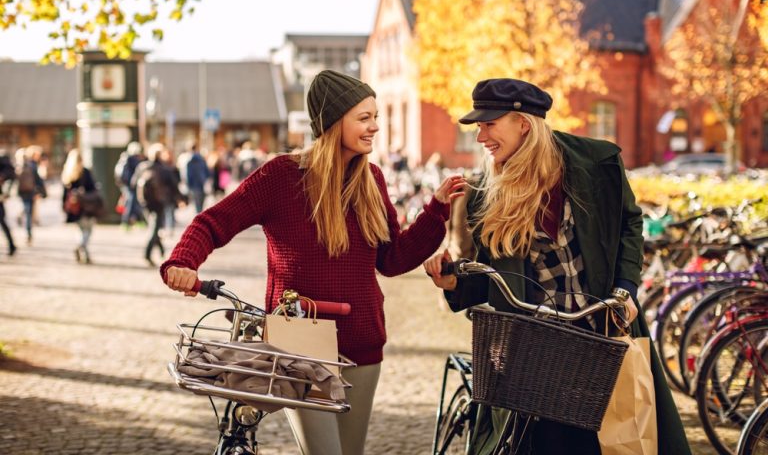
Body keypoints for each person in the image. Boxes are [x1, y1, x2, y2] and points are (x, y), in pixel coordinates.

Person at [160, 69, 466, 455]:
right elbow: (213, 221)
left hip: (362, 344)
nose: (374, 127)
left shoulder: (371, 179)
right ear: (335, 122)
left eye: (376, 117)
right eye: (364, 118)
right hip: (299, 345)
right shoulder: (281, 176)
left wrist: (435, 210)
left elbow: (393, 259)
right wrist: (182, 262)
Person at [423, 78, 691, 455]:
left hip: (603, 329)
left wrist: (626, 288)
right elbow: (497, 281)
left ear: (523, 124)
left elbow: (630, 224)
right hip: (536, 353)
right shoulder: (486, 194)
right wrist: (452, 281)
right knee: (540, 444)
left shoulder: (597, 164)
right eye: (478, 127)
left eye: (488, 124)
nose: (480, 136)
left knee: (613, 437)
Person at [133, 143, 185, 266]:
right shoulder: (164, 169)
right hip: (159, 203)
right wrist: (181, 198)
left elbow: (133, 182)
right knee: (155, 228)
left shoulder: (142, 167)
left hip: (145, 202)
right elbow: (174, 186)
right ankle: (147, 254)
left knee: (155, 227)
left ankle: (161, 251)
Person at [61, 149, 99, 264]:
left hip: (74, 207)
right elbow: (93, 188)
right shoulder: (85, 172)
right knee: (88, 230)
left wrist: (64, 206)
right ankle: (80, 246)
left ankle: (85, 254)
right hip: (85, 206)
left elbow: (64, 193)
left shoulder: (67, 172)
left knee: (81, 230)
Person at [16, 145, 47, 245]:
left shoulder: (22, 165)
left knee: (27, 209)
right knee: (29, 212)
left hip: (23, 192)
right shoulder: (32, 165)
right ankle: (28, 234)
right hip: (30, 192)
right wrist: (41, 192)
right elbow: (38, 180)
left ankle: (21, 217)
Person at [184, 142, 210, 213]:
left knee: (197, 205)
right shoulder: (202, 160)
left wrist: (189, 185)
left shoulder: (190, 162)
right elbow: (208, 173)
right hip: (202, 184)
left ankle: (199, 217)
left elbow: (189, 176)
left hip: (195, 186)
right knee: (201, 204)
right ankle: (200, 215)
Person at [0, 151, 17, 256]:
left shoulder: (2, 159)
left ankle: (12, 245)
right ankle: (12, 245)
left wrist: (2, 176)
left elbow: (10, 173)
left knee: (2, 221)